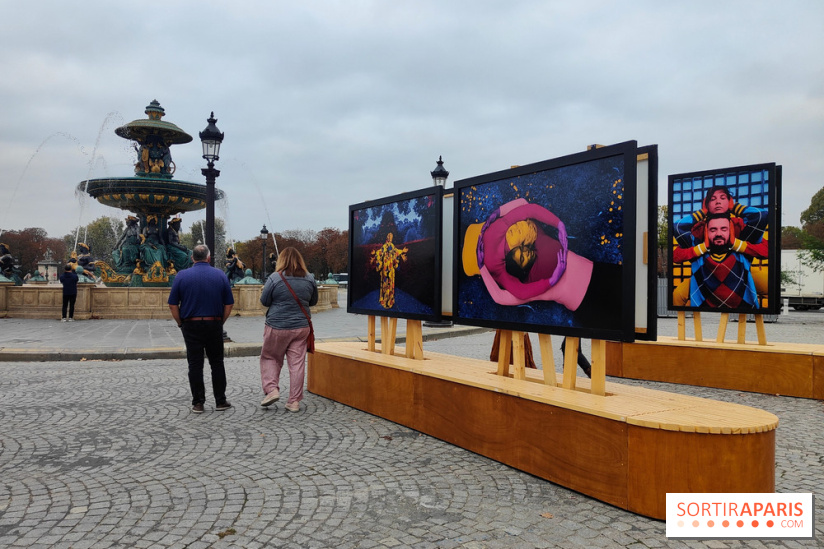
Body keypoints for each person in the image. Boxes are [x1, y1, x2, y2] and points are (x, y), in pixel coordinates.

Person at [168, 244, 235, 414]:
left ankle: (198, 402)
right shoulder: (220, 275)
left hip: (191, 324)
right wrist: (221, 322)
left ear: (192, 258)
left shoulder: (182, 276)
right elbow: (229, 303)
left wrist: (180, 323)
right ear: (208, 258)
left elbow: (172, 304)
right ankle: (220, 400)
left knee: (195, 364)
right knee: (217, 363)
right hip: (214, 323)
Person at [259, 247, 318, 413]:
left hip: (276, 326)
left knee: (270, 357)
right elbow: (313, 301)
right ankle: (294, 402)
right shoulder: (309, 278)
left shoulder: (275, 278)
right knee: (297, 364)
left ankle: (272, 390)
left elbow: (264, 301)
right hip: (301, 327)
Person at [673, 213, 768, 309]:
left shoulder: (738, 228)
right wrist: (702, 248)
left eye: (724, 229)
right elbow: (676, 256)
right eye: (713, 230)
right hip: (704, 277)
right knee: (678, 295)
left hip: (742, 274)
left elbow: (767, 250)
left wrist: (737, 244)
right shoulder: (699, 233)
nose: (718, 234)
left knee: (770, 284)